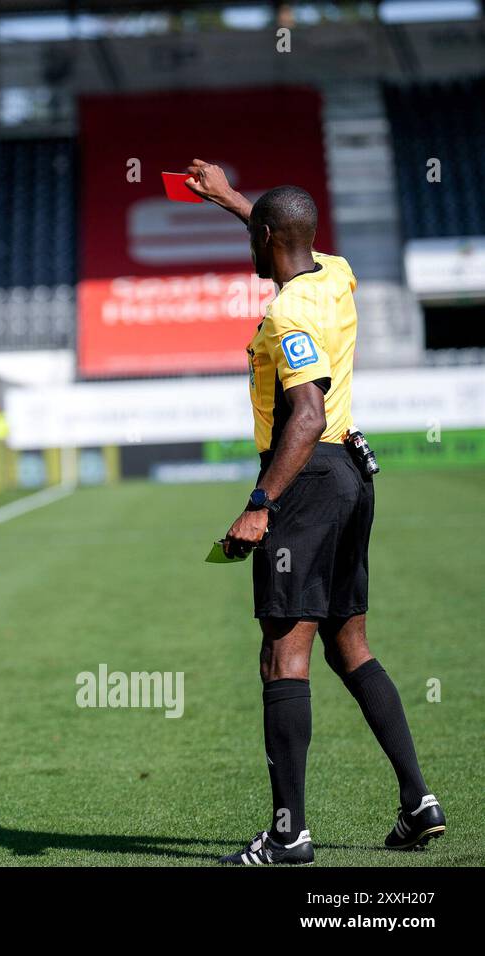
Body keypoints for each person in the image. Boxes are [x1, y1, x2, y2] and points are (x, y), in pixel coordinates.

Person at [184, 160, 443, 865]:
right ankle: (419, 803)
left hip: (307, 477)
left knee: (283, 655)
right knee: (348, 644)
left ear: (267, 239)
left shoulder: (286, 313)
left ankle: (289, 833)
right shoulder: (336, 273)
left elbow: (306, 414)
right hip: (354, 475)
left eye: (256, 232)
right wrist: (236, 200)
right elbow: (286, 238)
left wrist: (260, 504)